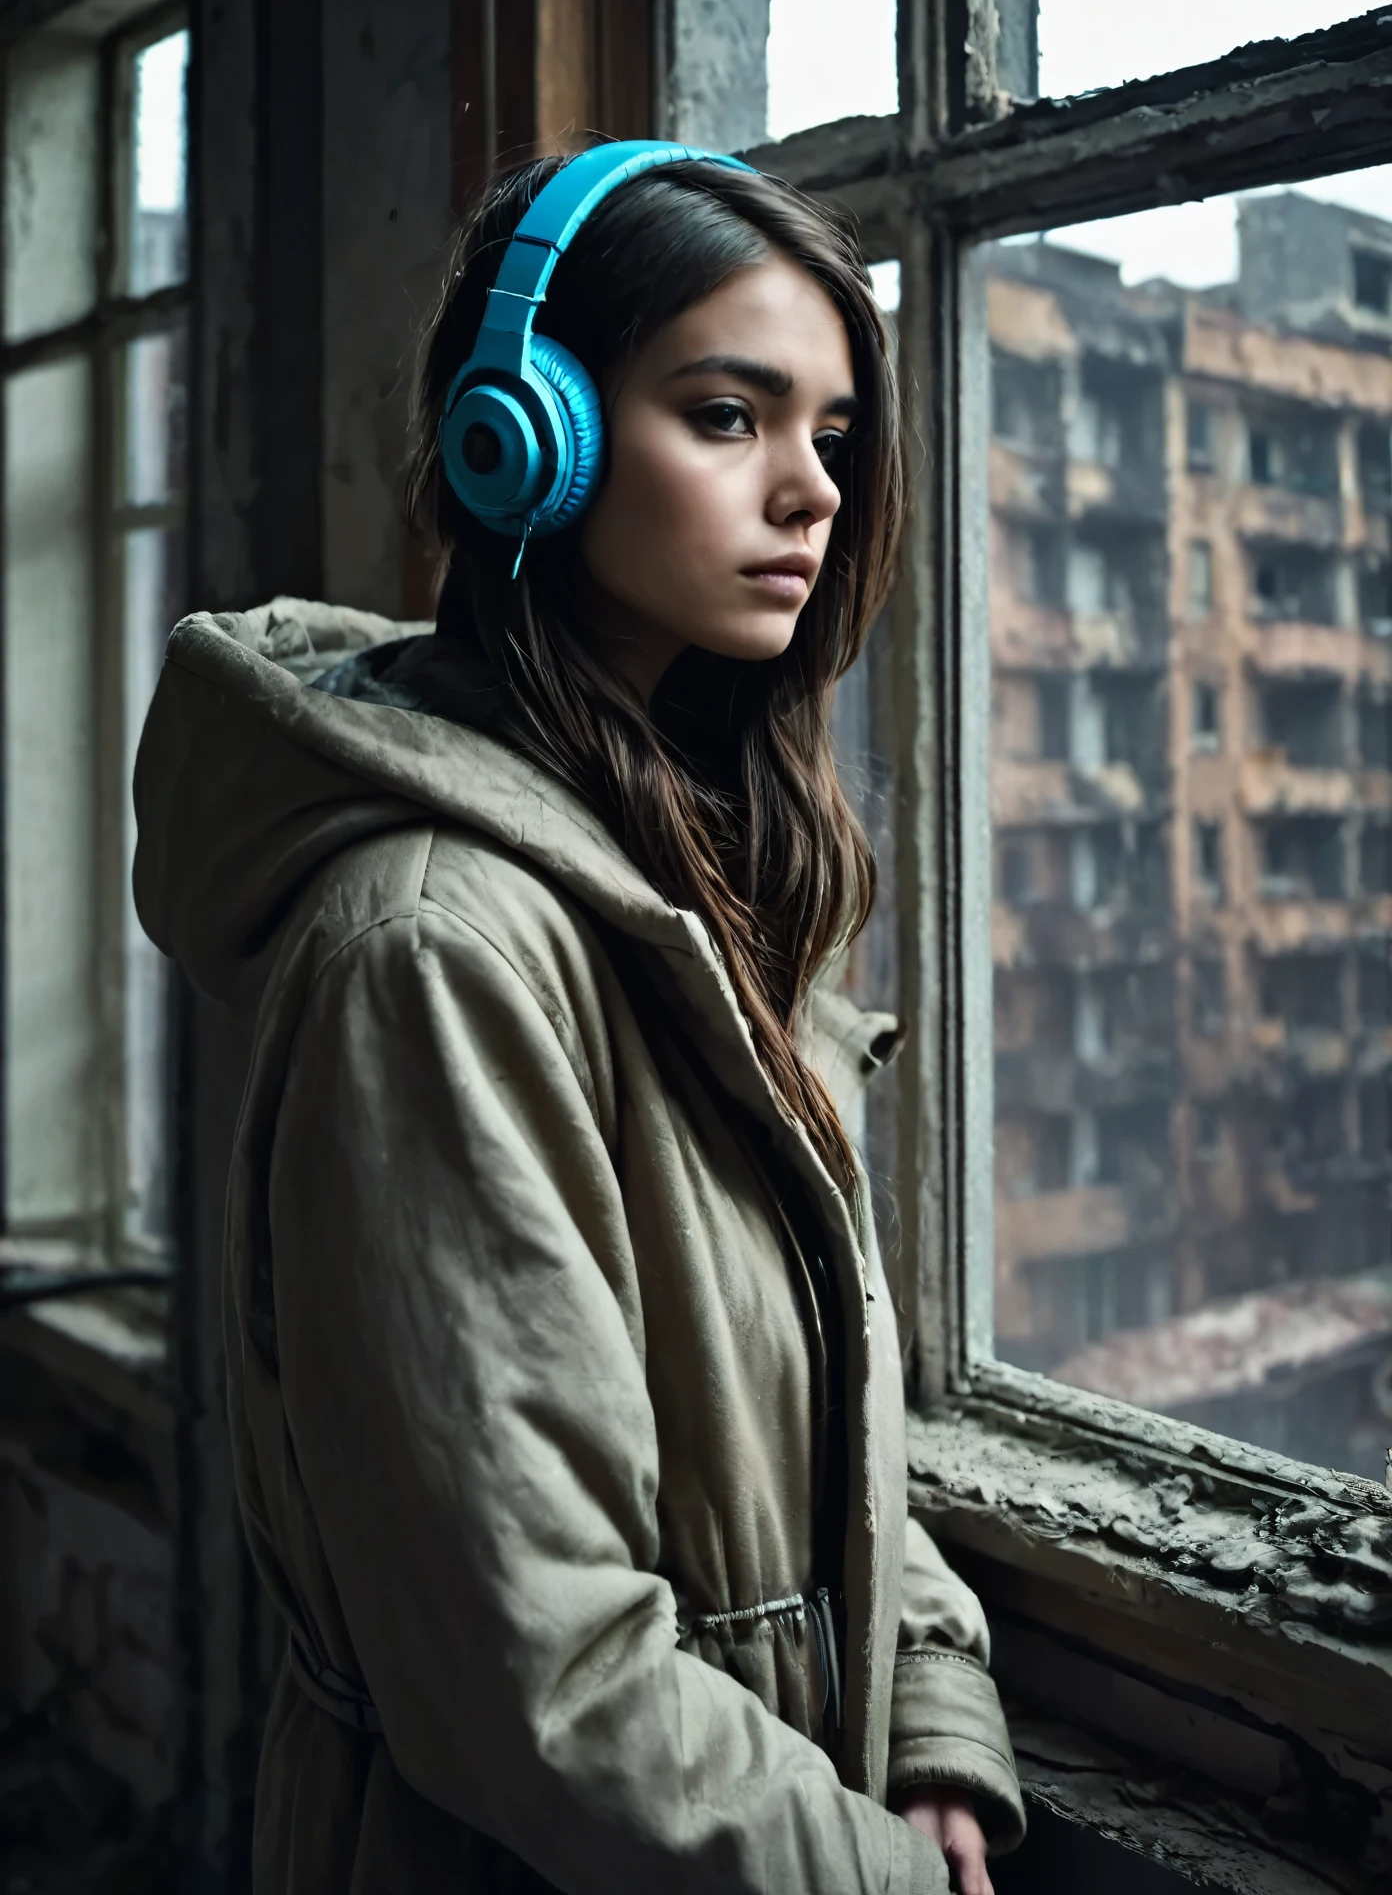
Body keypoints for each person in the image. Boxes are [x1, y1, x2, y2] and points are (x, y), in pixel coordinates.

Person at [135, 143, 1025, 1894]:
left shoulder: (695, 883)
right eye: (727, 417)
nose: (813, 493)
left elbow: (821, 1411)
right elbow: (532, 1677)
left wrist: (929, 1727)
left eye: (832, 436)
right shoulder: (433, 952)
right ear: (519, 436)